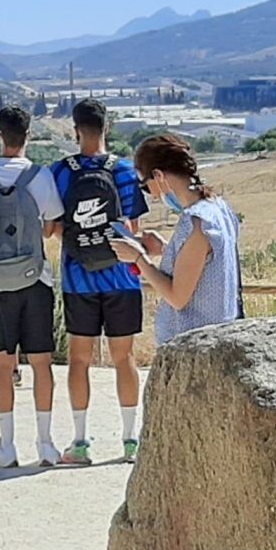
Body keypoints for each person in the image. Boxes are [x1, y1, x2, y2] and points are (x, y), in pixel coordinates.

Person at [48, 99, 149, 465]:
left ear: (76, 130)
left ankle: (80, 442)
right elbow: (133, 228)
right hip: (123, 277)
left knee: (79, 360)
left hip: (79, 279)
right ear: (107, 127)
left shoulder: (61, 172)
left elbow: (55, 227)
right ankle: (129, 441)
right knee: (125, 359)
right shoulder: (123, 170)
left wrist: (81, 247)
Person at [0, 103, 66, 469]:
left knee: (2, 363)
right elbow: (53, 225)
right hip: (36, 279)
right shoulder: (39, 177)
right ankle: (45, 443)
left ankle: (6, 446)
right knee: (41, 363)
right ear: (29, 135)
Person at [116, 131, 244, 344]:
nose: (152, 195)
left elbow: (177, 297)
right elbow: (205, 264)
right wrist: (167, 249)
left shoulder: (197, 222)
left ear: (158, 176)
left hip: (195, 345)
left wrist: (139, 259)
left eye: (144, 185)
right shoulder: (219, 209)